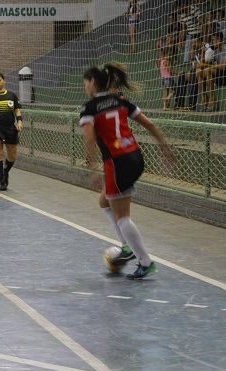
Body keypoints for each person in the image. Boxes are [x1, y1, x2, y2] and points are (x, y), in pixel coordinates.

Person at [79, 62, 176, 279]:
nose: (85, 88)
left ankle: (145, 262)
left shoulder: (89, 108)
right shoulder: (121, 101)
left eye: (85, 84)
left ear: (92, 82)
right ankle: (127, 246)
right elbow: (150, 125)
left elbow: (90, 139)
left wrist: (92, 167)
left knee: (122, 216)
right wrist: (165, 148)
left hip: (116, 163)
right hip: (135, 157)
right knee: (104, 201)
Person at [196, 30, 226, 111]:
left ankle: (212, 99)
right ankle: (204, 99)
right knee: (198, 72)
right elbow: (203, 64)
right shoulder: (215, 51)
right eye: (213, 40)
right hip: (223, 76)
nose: (215, 42)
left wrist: (206, 65)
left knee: (207, 70)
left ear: (222, 39)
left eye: (217, 39)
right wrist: (203, 52)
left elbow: (224, 67)